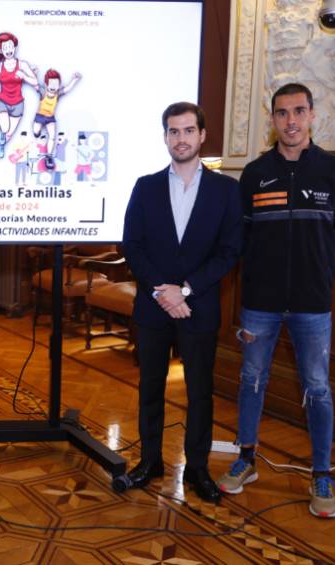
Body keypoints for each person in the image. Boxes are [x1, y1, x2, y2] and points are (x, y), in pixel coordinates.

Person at [216, 83, 335, 519]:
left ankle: (321, 473)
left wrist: (321, 270)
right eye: (282, 113)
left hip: (313, 305)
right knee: (251, 380)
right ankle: (246, 458)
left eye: (298, 111)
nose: (291, 121)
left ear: (312, 115)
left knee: (318, 387)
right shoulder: (255, 174)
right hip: (260, 302)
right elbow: (241, 235)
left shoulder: (334, 171)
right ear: (273, 119)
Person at [122, 102, 242, 503]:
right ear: (165, 137)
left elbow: (230, 250)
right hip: (153, 306)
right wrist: (162, 291)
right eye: (174, 131)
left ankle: (197, 469)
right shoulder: (146, 186)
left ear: (202, 135)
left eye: (189, 130)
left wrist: (185, 290)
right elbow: (132, 245)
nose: (181, 138)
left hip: (199, 306)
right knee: (150, 388)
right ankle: (150, 461)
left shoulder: (226, 191)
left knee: (200, 393)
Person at [0, 32, 37, 159]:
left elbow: (35, 81)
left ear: (14, 48)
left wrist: (24, 76)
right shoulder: (0, 67)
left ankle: (1, 144)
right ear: (0, 50)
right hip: (2, 102)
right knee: (5, 128)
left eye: (10, 46)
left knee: (9, 134)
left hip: (18, 104)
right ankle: (2, 137)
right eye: (5, 47)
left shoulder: (22, 65)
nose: (8, 50)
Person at [31, 68, 81, 169]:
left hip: (50, 118)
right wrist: (33, 74)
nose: (53, 87)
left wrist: (74, 79)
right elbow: (35, 84)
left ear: (59, 85)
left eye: (56, 84)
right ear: (46, 84)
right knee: (36, 132)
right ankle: (37, 132)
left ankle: (49, 157)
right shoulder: (43, 92)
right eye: (51, 84)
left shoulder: (58, 94)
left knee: (52, 136)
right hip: (40, 116)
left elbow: (67, 89)